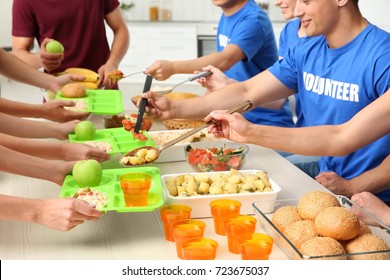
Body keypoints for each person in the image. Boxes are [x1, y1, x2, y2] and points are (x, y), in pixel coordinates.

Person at [141, 0, 390, 204]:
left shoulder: (382, 56)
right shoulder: (307, 49)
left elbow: (341, 137)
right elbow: (248, 90)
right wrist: (173, 108)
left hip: (375, 198)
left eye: (306, 0)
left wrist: (353, 186)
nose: (297, 10)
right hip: (327, 180)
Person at [145, 0, 294, 128]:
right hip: (231, 116)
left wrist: (172, 68)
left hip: (262, 122)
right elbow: (223, 75)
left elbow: (226, 60)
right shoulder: (228, 15)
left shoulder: (253, 19)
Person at [12, 0, 130, 90]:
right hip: (59, 91)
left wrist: (112, 63)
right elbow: (18, 53)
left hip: (103, 85)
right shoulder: (24, 1)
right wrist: (40, 60)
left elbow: (121, 29)